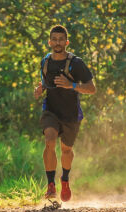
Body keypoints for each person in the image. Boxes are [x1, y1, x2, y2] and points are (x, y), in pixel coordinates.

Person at [34, 25, 96, 202]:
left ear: (66, 42)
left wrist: (72, 85)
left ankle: (65, 179)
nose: (57, 42)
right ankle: (51, 185)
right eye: (54, 39)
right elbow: (46, 83)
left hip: (70, 114)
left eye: (61, 39)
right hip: (51, 111)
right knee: (50, 140)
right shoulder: (45, 62)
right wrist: (40, 90)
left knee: (66, 150)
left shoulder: (76, 63)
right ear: (49, 42)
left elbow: (92, 89)